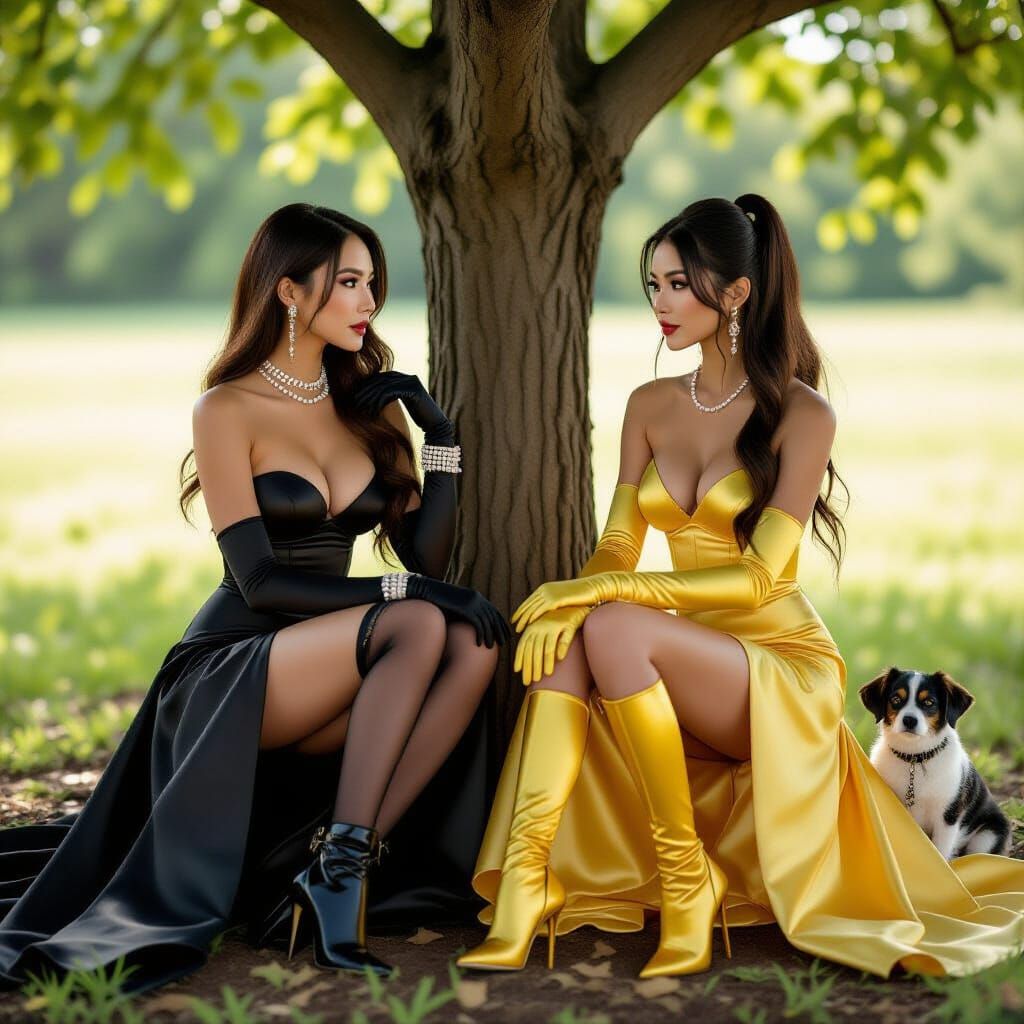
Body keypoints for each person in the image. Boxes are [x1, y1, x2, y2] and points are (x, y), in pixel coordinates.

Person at [458, 195, 1024, 979]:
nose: (661, 303)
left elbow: (761, 575)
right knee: (578, 631)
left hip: (775, 661)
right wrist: (579, 592)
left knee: (612, 621)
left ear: (735, 294)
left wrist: (610, 594)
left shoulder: (802, 412)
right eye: (653, 284)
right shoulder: (649, 405)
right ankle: (527, 883)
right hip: (671, 647)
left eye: (679, 285)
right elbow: (619, 541)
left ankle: (689, 884)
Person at [0, 203, 509, 993]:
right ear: (289, 292)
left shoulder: (365, 404)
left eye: (372, 282)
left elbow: (423, 554)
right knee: (418, 615)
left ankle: (339, 866)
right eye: (348, 282)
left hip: (337, 663)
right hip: (233, 668)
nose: (368, 301)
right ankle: (338, 883)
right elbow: (260, 581)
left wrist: (437, 432)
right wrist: (413, 590)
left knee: (473, 640)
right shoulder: (225, 408)